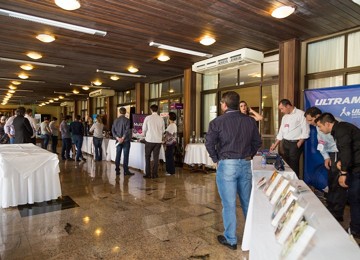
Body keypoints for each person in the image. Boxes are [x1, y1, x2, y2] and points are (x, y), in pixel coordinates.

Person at [205, 91, 262, 250]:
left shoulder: (217, 122)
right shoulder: (250, 122)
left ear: (224, 105)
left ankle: (231, 239)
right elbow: (257, 142)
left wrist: (216, 159)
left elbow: (209, 143)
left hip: (227, 165)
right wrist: (248, 154)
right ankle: (254, 236)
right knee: (247, 202)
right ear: (238, 105)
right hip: (245, 164)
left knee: (229, 203)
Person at [316, 113, 360, 238]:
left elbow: (346, 151)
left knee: (355, 199)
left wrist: (343, 173)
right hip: (355, 165)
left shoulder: (341, 131)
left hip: (357, 168)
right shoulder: (341, 128)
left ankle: (356, 230)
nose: (319, 129)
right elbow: (347, 149)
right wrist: (341, 161)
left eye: (320, 126)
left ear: (327, 124)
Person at [304, 107, 346, 221]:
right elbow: (321, 142)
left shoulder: (337, 124)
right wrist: (326, 157)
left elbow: (344, 144)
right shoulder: (318, 127)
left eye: (310, 120)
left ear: (317, 117)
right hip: (332, 155)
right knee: (332, 182)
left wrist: (340, 158)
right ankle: (331, 208)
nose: (309, 123)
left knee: (338, 184)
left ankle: (337, 214)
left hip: (340, 154)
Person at [270, 99, 309, 177]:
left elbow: (306, 130)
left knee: (293, 166)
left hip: (295, 143)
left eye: (282, 108)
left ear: (288, 106)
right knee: (285, 165)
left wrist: (299, 143)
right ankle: (286, 184)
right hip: (285, 143)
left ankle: (294, 185)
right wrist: (275, 145)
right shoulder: (285, 117)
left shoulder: (301, 114)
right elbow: (281, 132)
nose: (281, 111)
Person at [142, 104, 165, 179]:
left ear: (151, 110)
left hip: (149, 140)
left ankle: (148, 174)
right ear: (157, 110)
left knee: (147, 157)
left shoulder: (148, 118)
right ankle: (155, 174)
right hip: (158, 141)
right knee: (156, 158)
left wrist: (144, 136)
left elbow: (144, 129)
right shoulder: (161, 119)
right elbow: (163, 131)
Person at [111, 107, 134, 176]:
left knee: (118, 155)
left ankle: (117, 169)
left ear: (119, 112)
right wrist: (123, 138)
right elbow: (127, 130)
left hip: (118, 141)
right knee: (126, 156)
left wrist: (118, 138)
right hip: (126, 140)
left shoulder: (115, 120)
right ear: (125, 112)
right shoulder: (127, 120)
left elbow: (113, 130)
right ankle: (126, 171)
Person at [164, 112, 177, 176]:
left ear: (170, 117)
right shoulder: (173, 125)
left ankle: (170, 171)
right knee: (170, 156)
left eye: (168, 116)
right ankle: (171, 170)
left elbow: (168, 135)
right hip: (172, 142)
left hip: (170, 143)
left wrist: (164, 140)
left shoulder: (171, 125)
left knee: (169, 156)